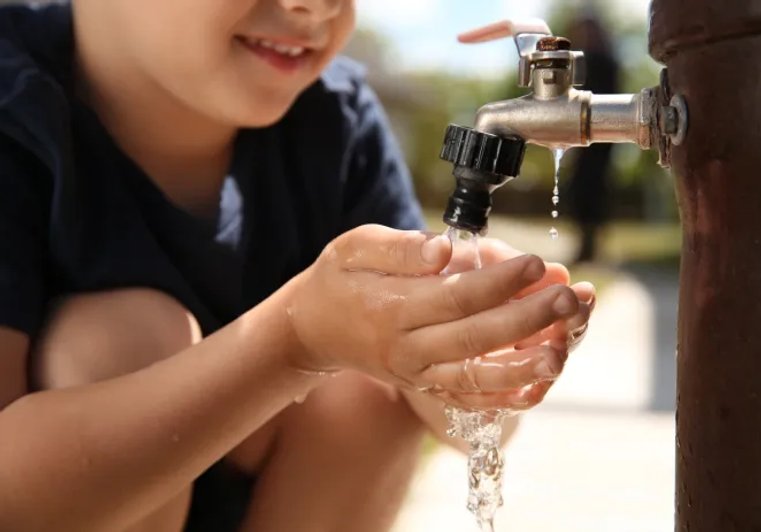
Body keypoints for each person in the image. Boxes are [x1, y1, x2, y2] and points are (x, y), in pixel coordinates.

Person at [0, 2, 595, 531]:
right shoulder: (14, 102)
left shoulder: (334, 123)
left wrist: (467, 344)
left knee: (373, 382)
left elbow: (464, 428)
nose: (314, 6)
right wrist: (292, 342)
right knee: (121, 340)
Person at [564, 10, 620, 263]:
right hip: (597, 134)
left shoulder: (593, 61)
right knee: (586, 189)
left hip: (597, 134)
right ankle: (587, 245)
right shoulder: (605, 60)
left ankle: (589, 246)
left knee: (590, 189)